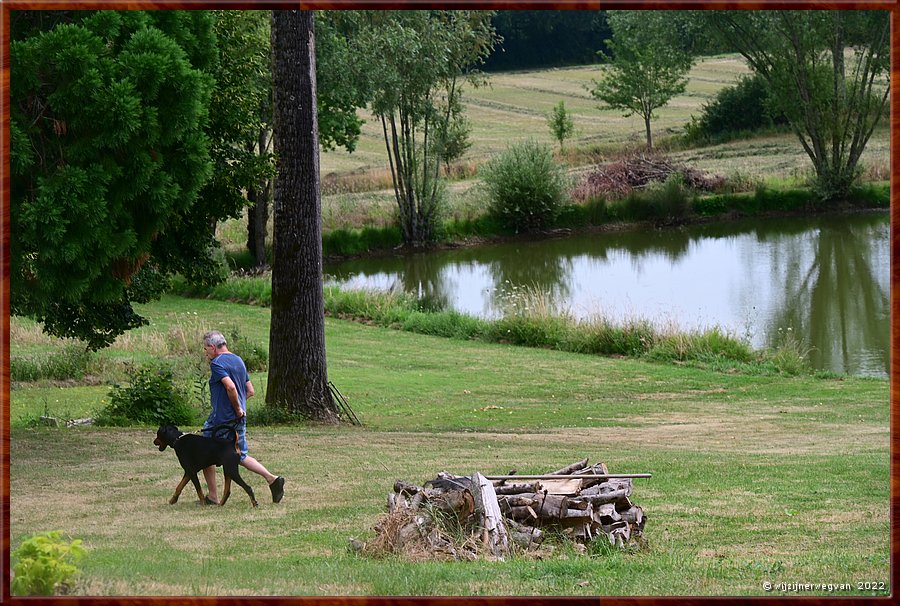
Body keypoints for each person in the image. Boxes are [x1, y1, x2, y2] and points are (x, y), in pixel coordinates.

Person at [201, 330, 285, 504]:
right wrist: (238, 409)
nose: (206, 353)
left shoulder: (217, 363)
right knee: (240, 455)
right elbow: (250, 391)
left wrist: (236, 408)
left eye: (206, 349)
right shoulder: (238, 360)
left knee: (204, 454)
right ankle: (272, 479)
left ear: (212, 347)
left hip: (221, 421)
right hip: (239, 420)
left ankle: (213, 496)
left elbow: (230, 388)